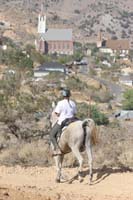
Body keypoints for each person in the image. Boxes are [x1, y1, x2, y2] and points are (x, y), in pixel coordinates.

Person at [50, 88, 77, 156]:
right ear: (69, 95)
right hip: (73, 120)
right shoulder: (73, 103)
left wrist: (59, 114)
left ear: (63, 95)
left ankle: (57, 149)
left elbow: (56, 113)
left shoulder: (60, 103)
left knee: (52, 135)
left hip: (63, 121)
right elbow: (75, 113)